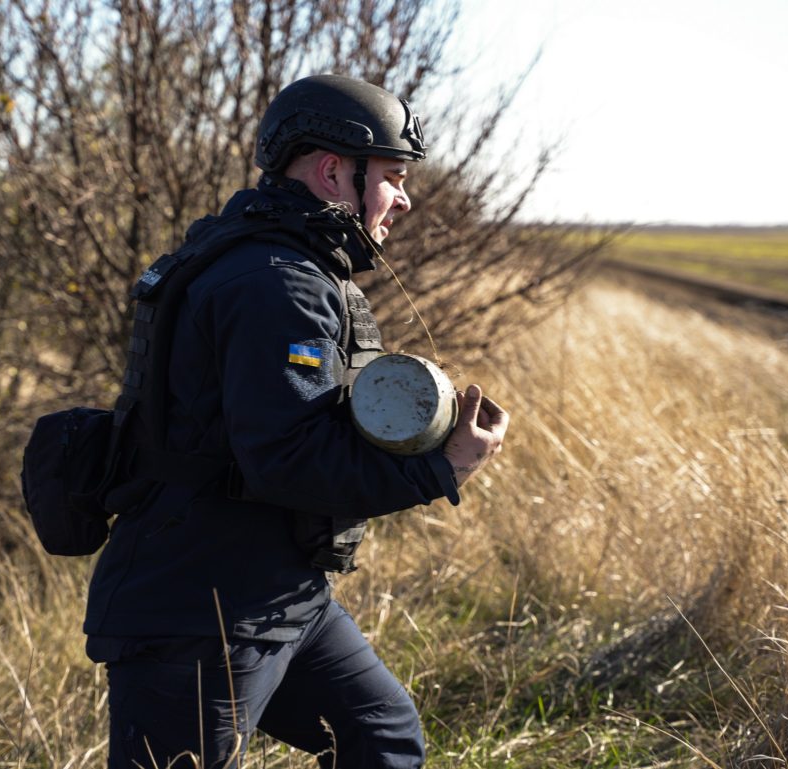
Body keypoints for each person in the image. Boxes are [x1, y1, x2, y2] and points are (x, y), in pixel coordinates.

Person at [84, 74, 509, 769]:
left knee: (381, 738)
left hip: (279, 596)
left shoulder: (277, 261)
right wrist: (446, 465)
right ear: (334, 169)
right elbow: (287, 459)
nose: (403, 198)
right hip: (199, 611)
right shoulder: (277, 283)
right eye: (394, 177)